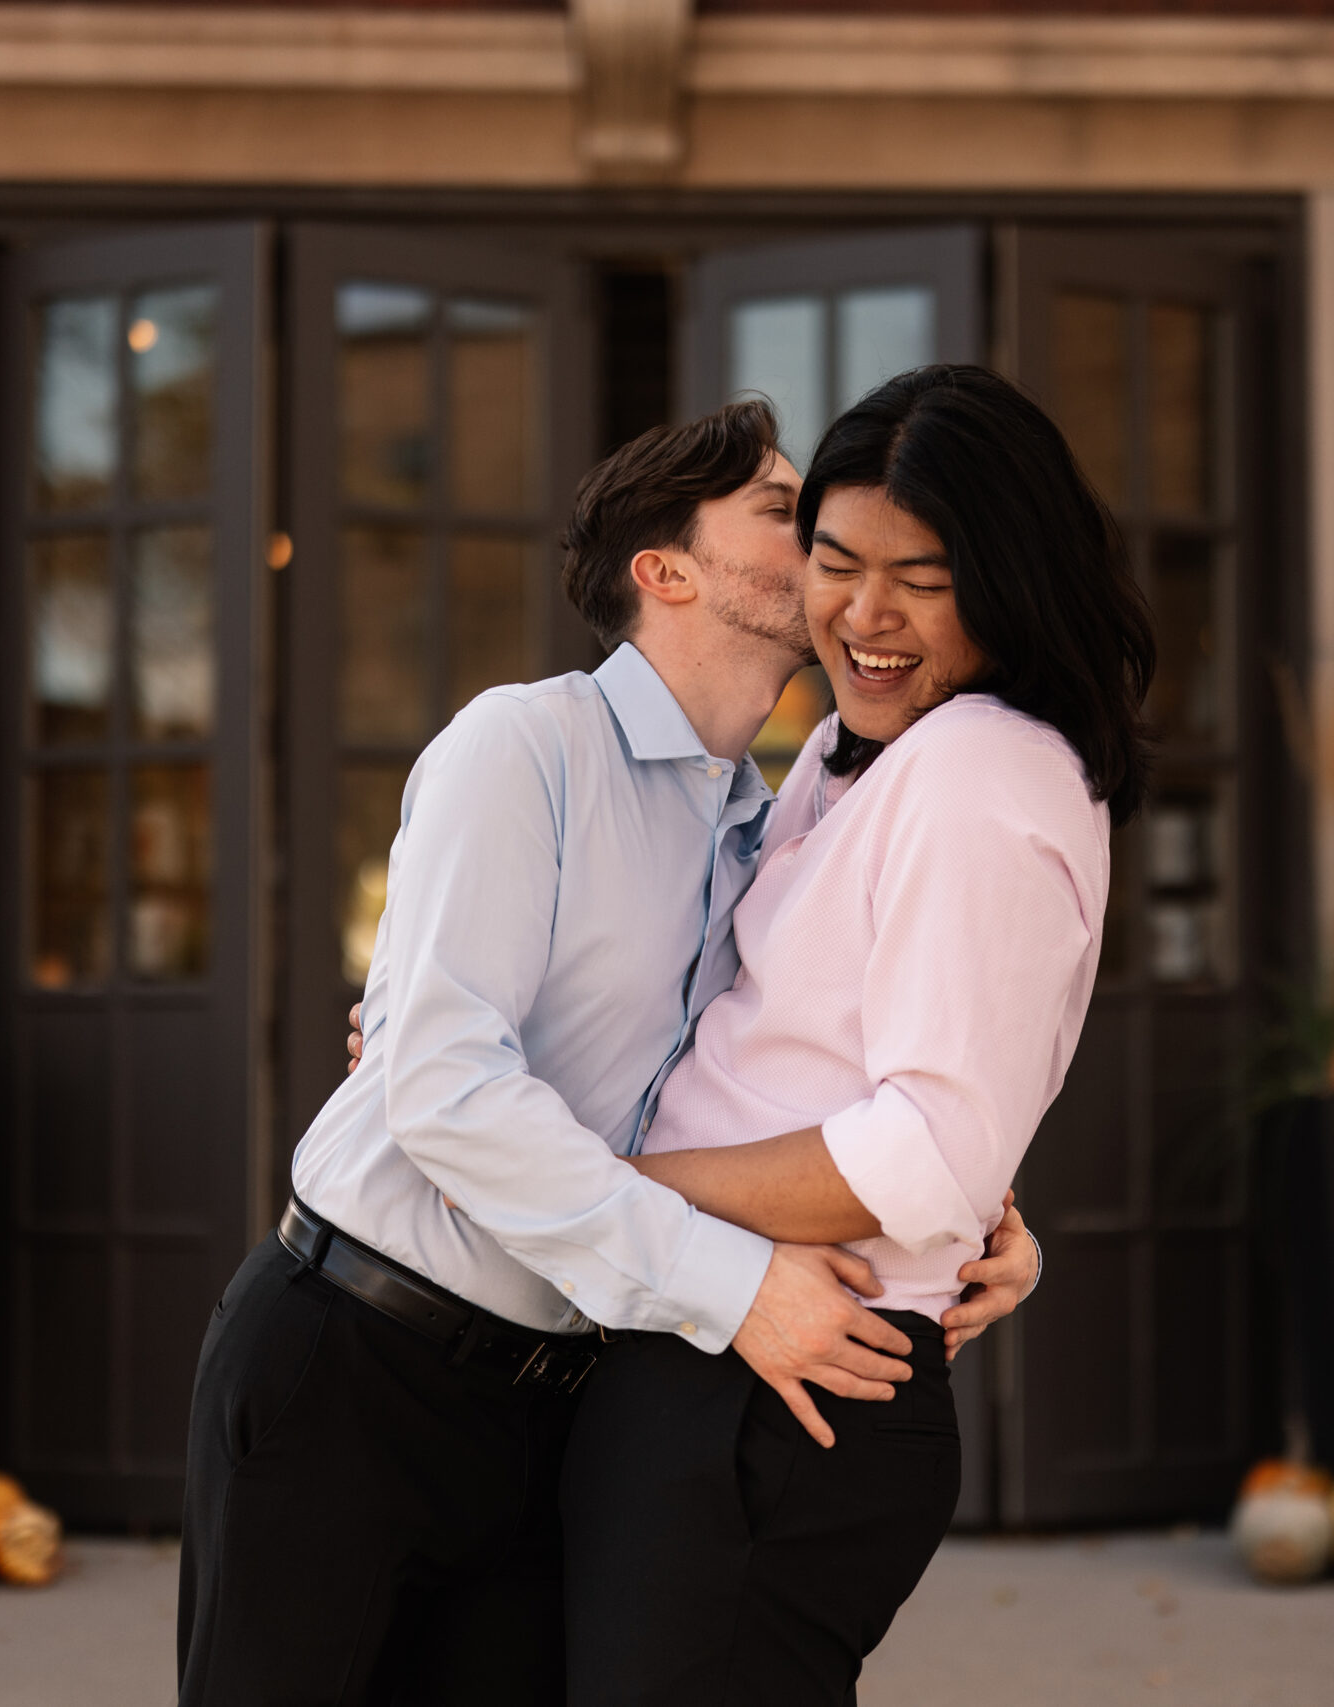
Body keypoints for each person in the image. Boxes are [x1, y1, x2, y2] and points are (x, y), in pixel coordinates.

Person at [174, 399, 1042, 1707]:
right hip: (356, 1365)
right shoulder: (524, 744)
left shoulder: (776, 828)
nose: (825, 544)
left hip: (560, 1404)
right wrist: (733, 1283)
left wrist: (979, 1217)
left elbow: (802, 1076)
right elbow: (450, 1095)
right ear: (666, 569)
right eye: (782, 511)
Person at [560, 365, 1154, 1704]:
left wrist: (602, 1188)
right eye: (833, 561)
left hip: (788, 1396)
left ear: (1007, 582)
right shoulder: (854, 752)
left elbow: (924, 1157)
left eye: (923, 578)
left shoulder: (981, 772)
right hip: (729, 1366)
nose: (864, 615)